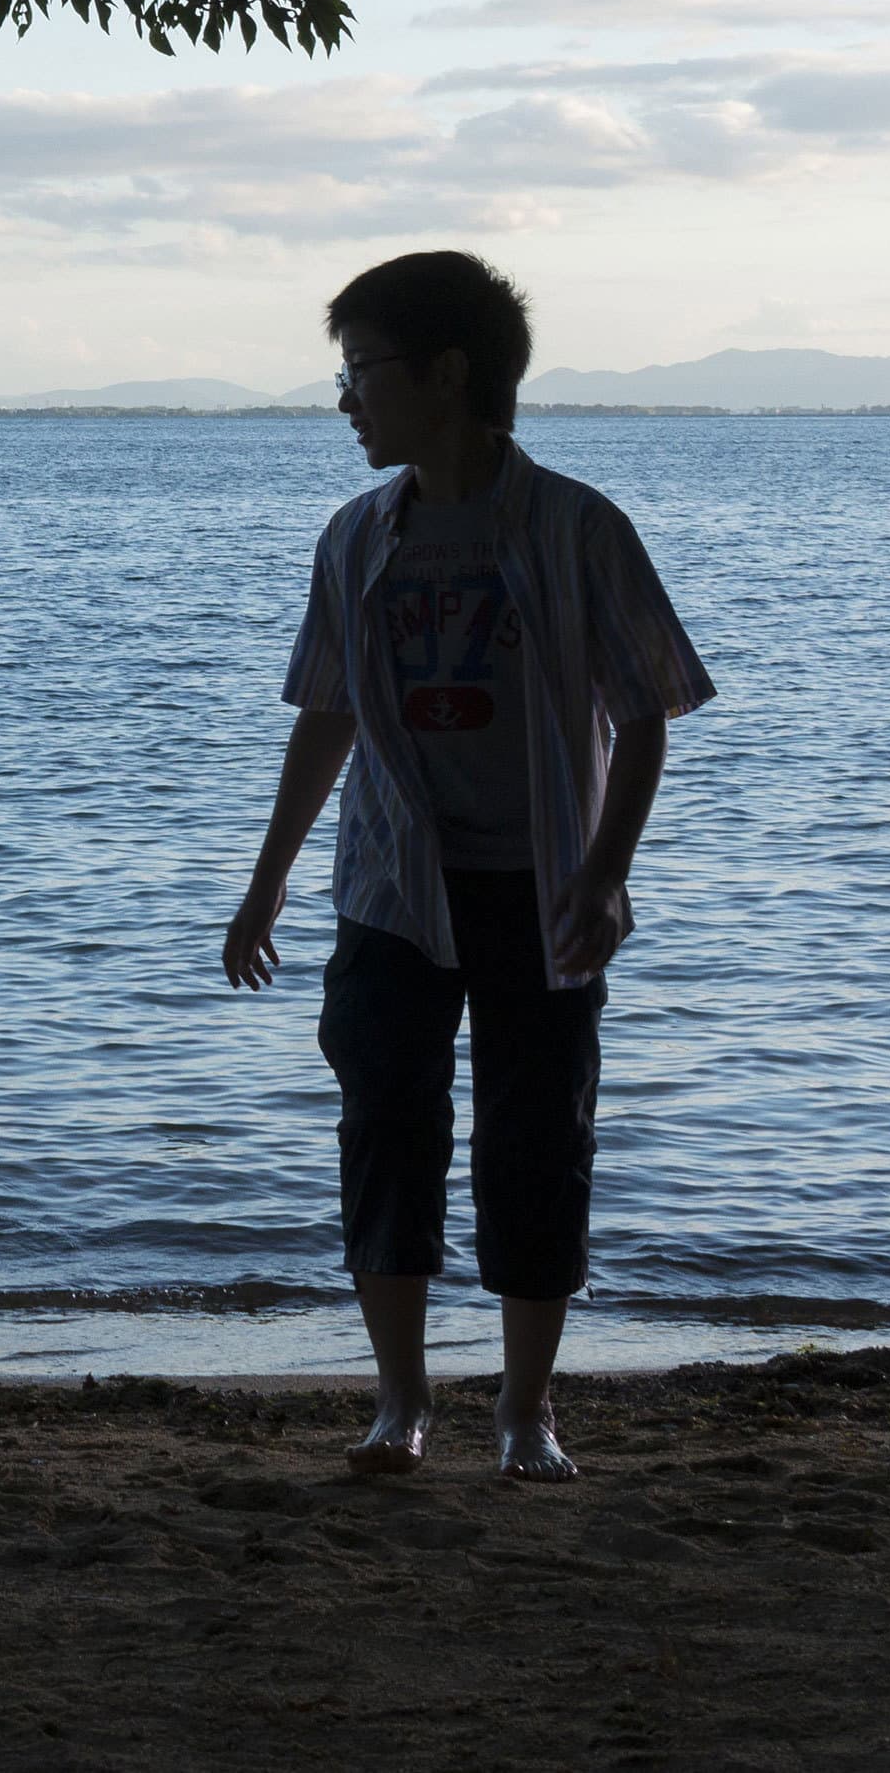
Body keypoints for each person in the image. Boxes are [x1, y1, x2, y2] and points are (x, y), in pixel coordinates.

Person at [223, 252, 713, 1482]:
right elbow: (327, 714)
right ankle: (399, 1404)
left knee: (538, 1140)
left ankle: (526, 1410)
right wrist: (266, 879)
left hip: (541, 890)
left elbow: (646, 708)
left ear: (447, 377)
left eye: (360, 372)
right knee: (386, 1127)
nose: (345, 399)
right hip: (393, 892)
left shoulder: (575, 527)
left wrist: (605, 873)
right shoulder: (356, 538)